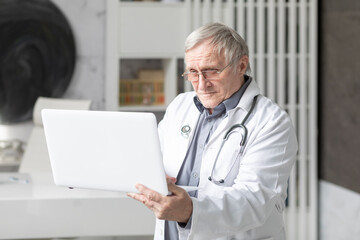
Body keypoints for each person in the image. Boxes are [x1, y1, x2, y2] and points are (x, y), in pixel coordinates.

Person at [127, 22, 298, 240]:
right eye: (192, 72)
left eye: (211, 71)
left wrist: (190, 211)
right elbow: (152, 161)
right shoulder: (180, 105)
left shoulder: (271, 122)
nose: (201, 84)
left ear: (241, 65)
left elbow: (254, 202)